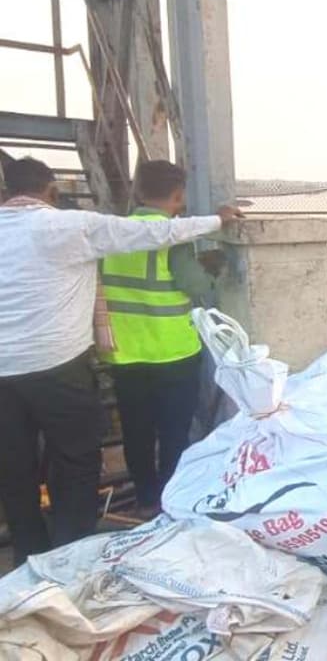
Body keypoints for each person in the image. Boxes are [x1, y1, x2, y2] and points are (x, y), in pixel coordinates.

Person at [0, 157, 239, 564]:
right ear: (52, 191)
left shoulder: (94, 236)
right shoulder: (77, 229)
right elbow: (169, 244)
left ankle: (31, 551)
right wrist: (217, 226)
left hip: (116, 358)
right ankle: (73, 552)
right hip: (95, 362)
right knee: (82, 458)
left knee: (17, 463)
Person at [100, 161, 223, 517]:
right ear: (179, 196)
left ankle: (145, 500)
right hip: (173, 355)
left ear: (138, 192)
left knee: (136, 432)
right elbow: (195, 286)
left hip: (124, 353)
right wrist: (212, 270)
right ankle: (170, 500)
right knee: (174, 432)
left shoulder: (111, 234)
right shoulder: (172, 238)